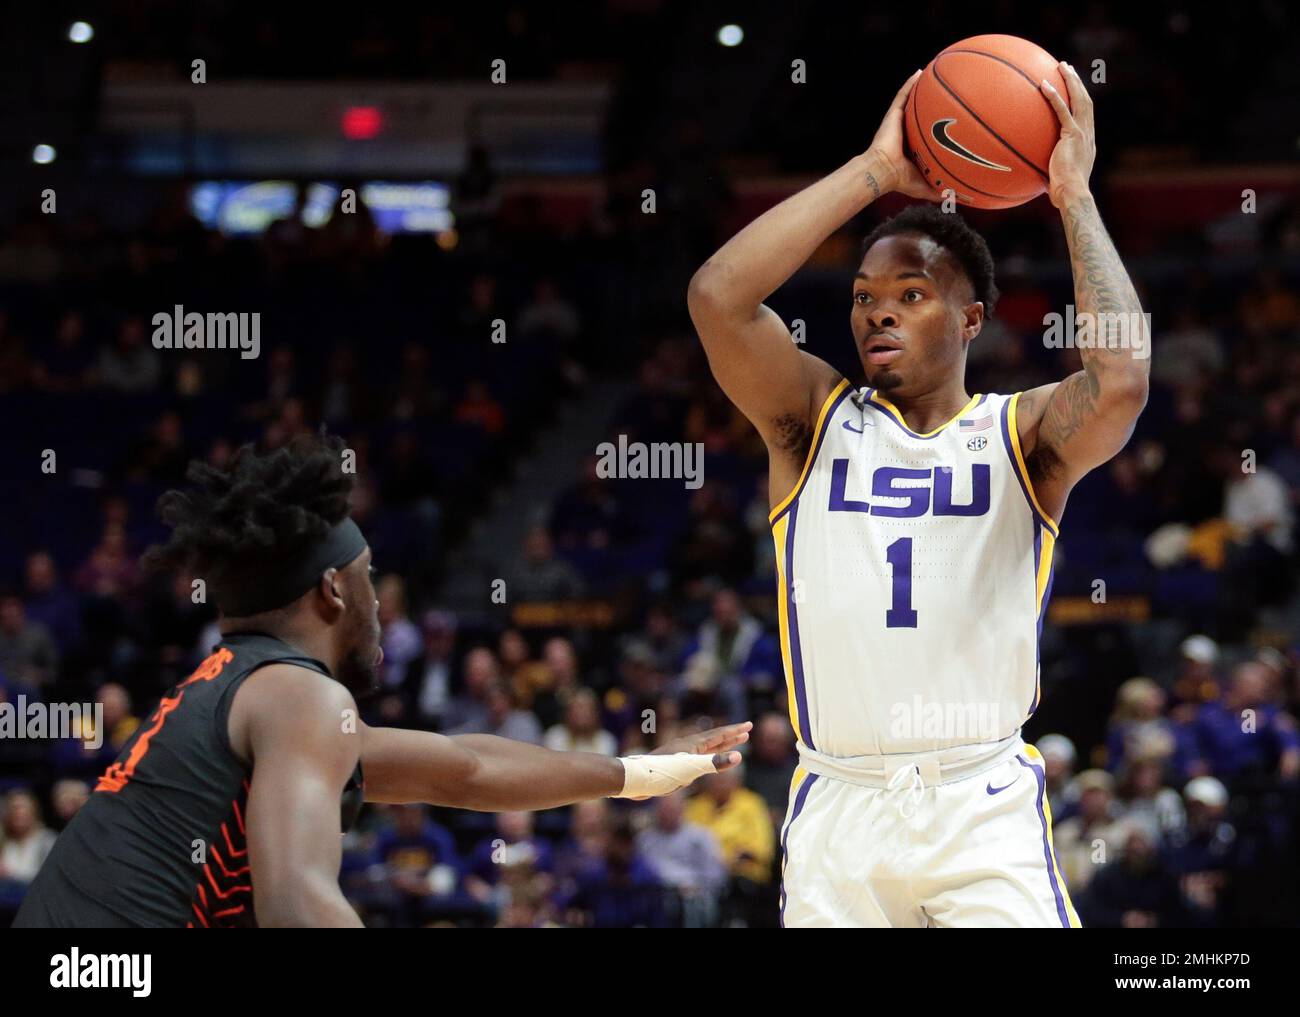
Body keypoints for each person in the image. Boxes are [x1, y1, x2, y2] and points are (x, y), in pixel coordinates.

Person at [688, 64, 1149, 927]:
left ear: (971, 319)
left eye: (910, 295)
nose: (876, 314)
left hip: (980, 804)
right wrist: (873, 169)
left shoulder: (1023, 435)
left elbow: (1122, 378)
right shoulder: (810, 421)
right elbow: (718, 296)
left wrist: (1072, 196)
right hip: (842, 807)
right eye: (863, 297)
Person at [14, 433, 750, 928]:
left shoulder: (254, 695)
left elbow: (467, 768)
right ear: (333, 591)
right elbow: (299, 903)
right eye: (372, 579)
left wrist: (643, 769)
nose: (378, 598)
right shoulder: (300, 697)